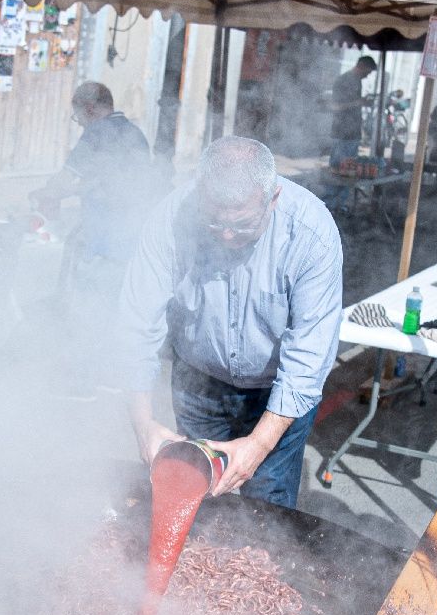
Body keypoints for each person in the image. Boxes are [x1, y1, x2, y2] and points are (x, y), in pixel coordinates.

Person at [121, 137, 343, 508]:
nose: (226, 235)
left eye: (241, 226)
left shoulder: (311, 233)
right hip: (198, 383)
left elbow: (308, 357)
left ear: (272, 199)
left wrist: (259, 444)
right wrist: (142, 423)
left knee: (267, 508)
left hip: (277, 392)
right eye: (214, 222)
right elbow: (136, 326)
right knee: (195, 499)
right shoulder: (171, 218)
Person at [30, 81, 155, 277]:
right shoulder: (136, 134)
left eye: (77, 116)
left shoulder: (97, 132)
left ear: (89, 109)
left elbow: (67, 176)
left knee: (90, 277)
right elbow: (105, 180)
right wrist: (68, 192)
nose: (79, 123)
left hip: (103, 232)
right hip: (134, 231)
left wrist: (46, 193)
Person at [324, 55, 378, 206]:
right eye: (367, 72)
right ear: (361, 66)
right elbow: (335, 106)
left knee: (349, 172)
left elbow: (353, 104)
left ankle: (341, 204)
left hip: (353, 134)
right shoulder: (343, 80)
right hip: (341, 134)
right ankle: (330, 205)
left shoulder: (357, 81)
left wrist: (362, 103)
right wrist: (358, 102)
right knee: (337, 171)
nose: (368, 75)